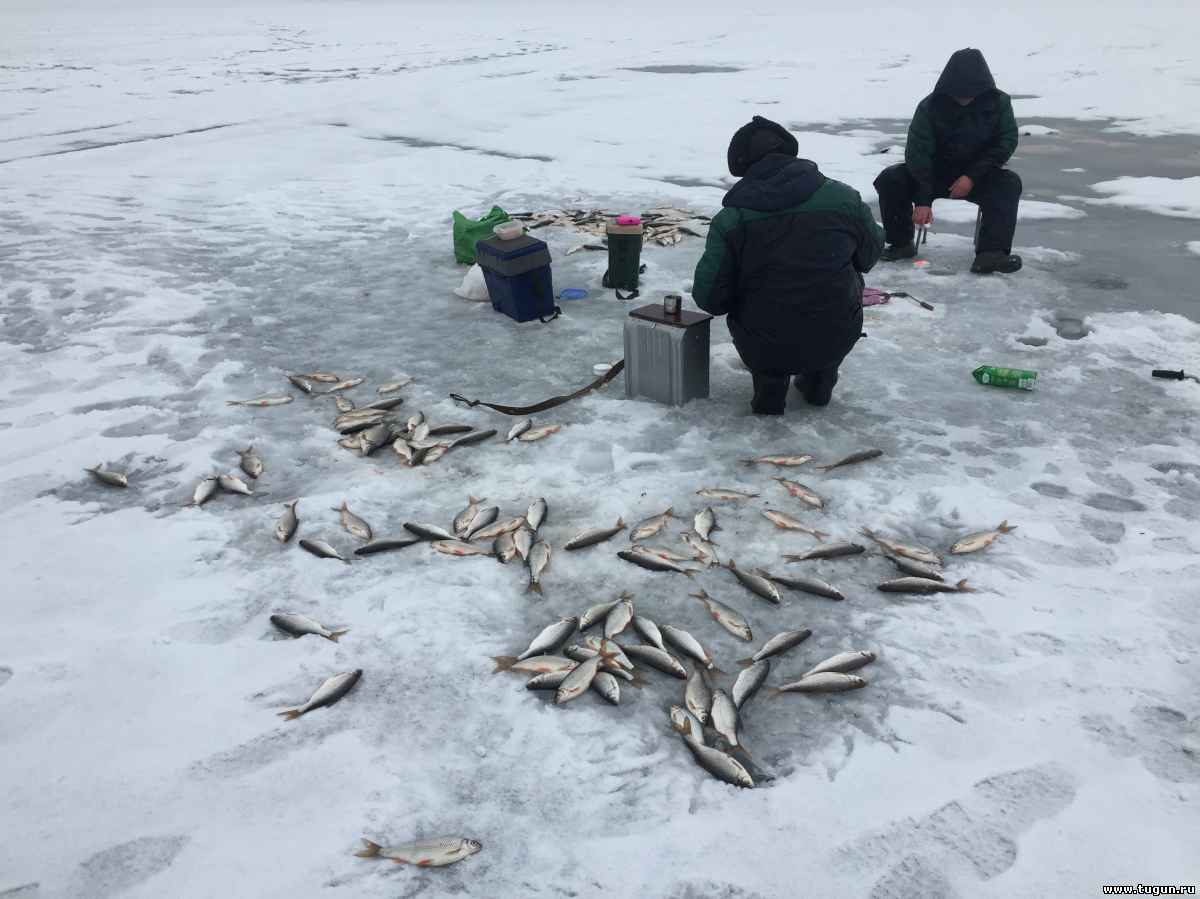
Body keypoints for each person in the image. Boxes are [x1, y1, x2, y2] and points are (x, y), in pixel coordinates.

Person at [692, 116, 883, 415]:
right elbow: (869, 255)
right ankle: (821, 379)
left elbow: (710, 298)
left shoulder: (732, 220)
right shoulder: (845, 198)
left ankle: (770, 389)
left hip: (764, 341)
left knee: (768, 343)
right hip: (837, 331)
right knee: (829, 320)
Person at [874, 48, 1023, 274]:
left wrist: (971, 177)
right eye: (959, 94)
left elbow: (1006, 142)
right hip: (933, 174)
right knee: (891, 178)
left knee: (1008, 183)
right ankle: (900, 243)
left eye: (971, 93)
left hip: (980, 174)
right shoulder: (930, 105)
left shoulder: (999, 102)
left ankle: (991, 254)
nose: (965, 99)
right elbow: (918, 152)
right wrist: (923, 197)